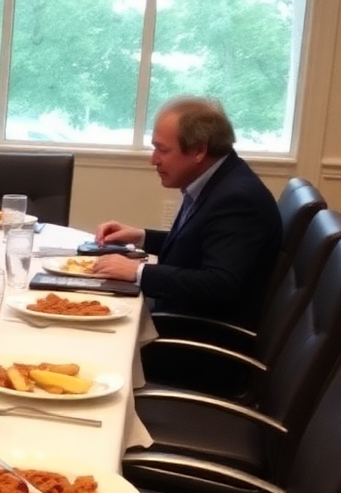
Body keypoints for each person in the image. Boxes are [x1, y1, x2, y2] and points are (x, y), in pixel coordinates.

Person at [92, 96, 281, 328]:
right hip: (181, 315)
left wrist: (138, 271)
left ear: (199, 150)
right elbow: (196, 244)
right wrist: (142, 237)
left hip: (198, 333)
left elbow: (219, 284)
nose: (153, 160)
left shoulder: (238, 199)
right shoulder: (219, 179)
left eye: (162, 149)